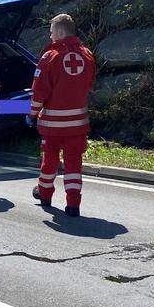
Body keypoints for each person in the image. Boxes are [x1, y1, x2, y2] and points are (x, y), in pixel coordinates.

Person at [29, 14, 96, 217]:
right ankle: (73, 204)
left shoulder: (50, 57)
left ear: (59, 32)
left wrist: (32, 113)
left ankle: (46, 195)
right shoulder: (88, 56)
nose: (50, 37)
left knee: (49, 161)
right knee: (74, 163)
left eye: (51, 32)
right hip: (78, 124)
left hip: (53, 124)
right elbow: (89, 84)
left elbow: (39, 90)